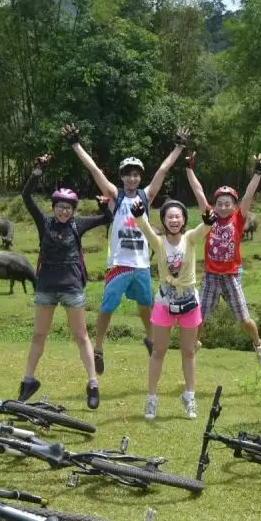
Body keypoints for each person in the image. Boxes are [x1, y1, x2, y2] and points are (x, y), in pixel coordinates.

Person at [62, 123, 189, 375]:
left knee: (146, 307)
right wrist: (75, 144)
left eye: (136, 174)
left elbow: (163, 170)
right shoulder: (115, 196)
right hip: (119, 264)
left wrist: (178, 147)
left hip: (141, 264)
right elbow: (94, 170)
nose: (132, 178)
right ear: (122, 176)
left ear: (140, 178)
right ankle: (98, 348)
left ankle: (150, 339)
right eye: (128, 174)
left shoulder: (145, 197)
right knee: (107, 308)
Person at [19, 154, 111, 409]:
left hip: (71, 288)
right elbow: (26, 197)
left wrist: (104, 207)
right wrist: (37, 171)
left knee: (81, 336)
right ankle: (28, 381)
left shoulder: (77, 226)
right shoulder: (44, 223)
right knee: (39, 335)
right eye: (60, 206)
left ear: (73, 210)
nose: (63, 210)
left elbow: (107, 219)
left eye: (68, 207)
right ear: (54, 206)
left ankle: (93, 384)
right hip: (46, 288)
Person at [132, 197, 216, 420]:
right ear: (164, 220)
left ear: (184, 219)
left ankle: (189, 397)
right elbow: (146, 229)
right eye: (170, 216)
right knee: (158, 351)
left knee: (188, 352)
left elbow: (203, 229)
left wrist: (208, 222)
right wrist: (140, 215)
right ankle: (151, 399)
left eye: (178, 216)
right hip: (164, 303)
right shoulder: (158, 242)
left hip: (189, 302)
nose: (174, 220)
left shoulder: (189, 239)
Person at [184, 152, 261, 365]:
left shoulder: (239, 218)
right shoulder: (209, 216)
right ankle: (195, 344)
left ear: (233, 204)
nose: (222, 207)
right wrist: (189, 168)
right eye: (219, 203)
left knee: (244, 319)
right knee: (197, 317)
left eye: (227, 203)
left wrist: (258, 173)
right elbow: (198, 191)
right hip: (211, 276)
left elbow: (249, 195)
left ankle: (258, 345)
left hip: (231, 276)